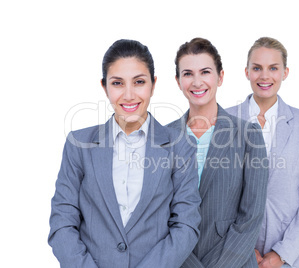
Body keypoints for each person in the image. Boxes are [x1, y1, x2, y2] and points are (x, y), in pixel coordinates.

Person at [48, 39, 201, 268]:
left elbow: (186, 226)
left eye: (139, 82)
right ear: (104, 86)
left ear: (153, 84)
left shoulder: (180, 146)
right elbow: (62, 223)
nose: (129, 95)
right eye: (118, 83)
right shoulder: (78, 145)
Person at [167, 37, 269, 268]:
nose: (197, 82)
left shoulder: (248, 135)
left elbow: (251, 218)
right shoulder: (161, 139)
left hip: (234, 262)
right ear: (178, 80)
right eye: (187, 74)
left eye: (205, 72)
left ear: (220, 77)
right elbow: (156, 218)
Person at [226, 37, 299, 268]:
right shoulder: (224, 120)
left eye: (273, 68)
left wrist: (281, 254)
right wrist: (243, 248)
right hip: (234, 253)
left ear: (285, 72)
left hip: (291, 254)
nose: (264, 76)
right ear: (246, 72)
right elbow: (216, 194)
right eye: (257, 68)